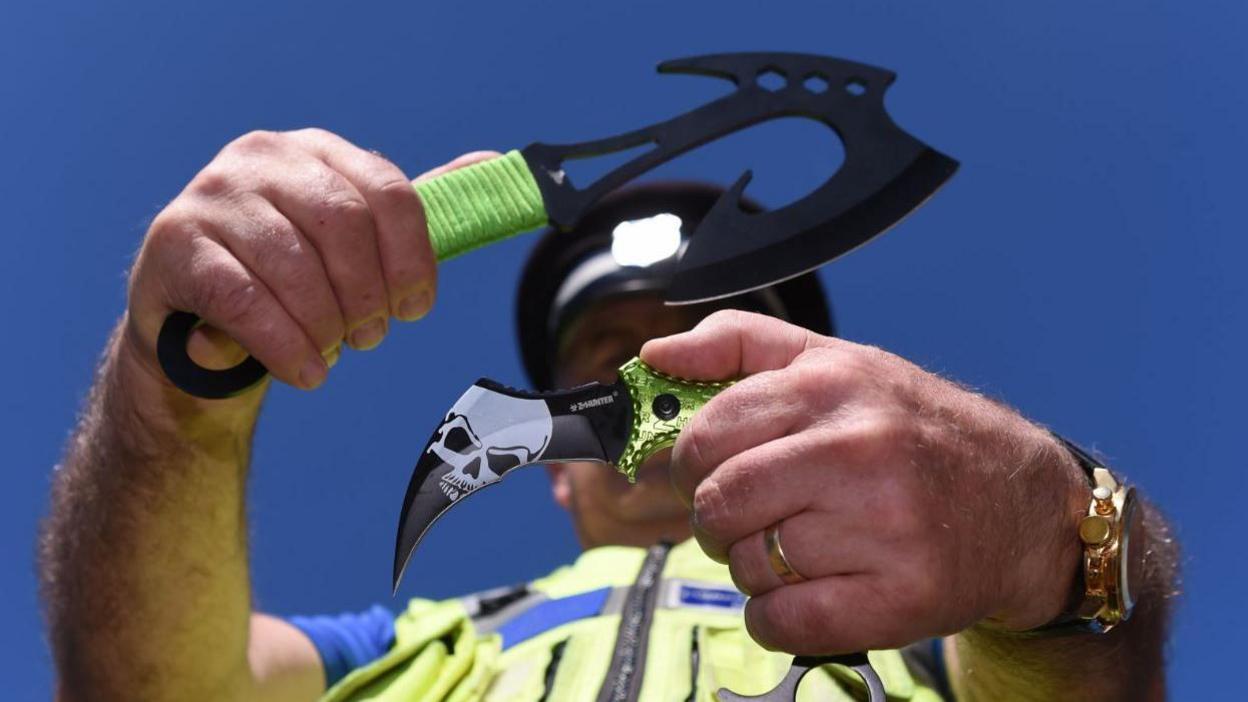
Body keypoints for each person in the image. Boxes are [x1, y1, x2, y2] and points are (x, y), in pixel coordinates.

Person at [38, 129, 1179, 701]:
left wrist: (1049, 541)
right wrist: (173, 401)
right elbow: (154, 685)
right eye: (607, 357)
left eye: (709, 351)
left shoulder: (940, 646)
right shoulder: (406, 649)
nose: (655, 379)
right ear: (552, 465)